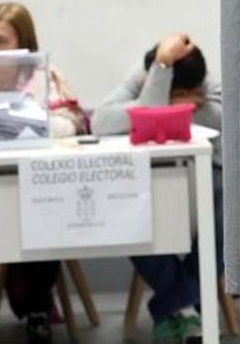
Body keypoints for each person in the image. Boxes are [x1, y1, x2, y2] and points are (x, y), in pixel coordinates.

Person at [0, 2, 87, 344]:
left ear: (23, 45)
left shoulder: (45, 77)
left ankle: (38, 310)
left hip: (33, 189)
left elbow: (72, 123)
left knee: (46, 208)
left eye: (0, 41)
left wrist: (10, 124)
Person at [92, 32, 222, 344]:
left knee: (229, 210)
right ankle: (190, 306)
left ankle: (175, 306)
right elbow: (100, 122)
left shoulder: (204, 77)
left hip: (209, 172)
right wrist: (160, 77)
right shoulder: (145, 72)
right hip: (147, 173)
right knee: (125, 209)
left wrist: (158, 107)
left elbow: (220, 121)